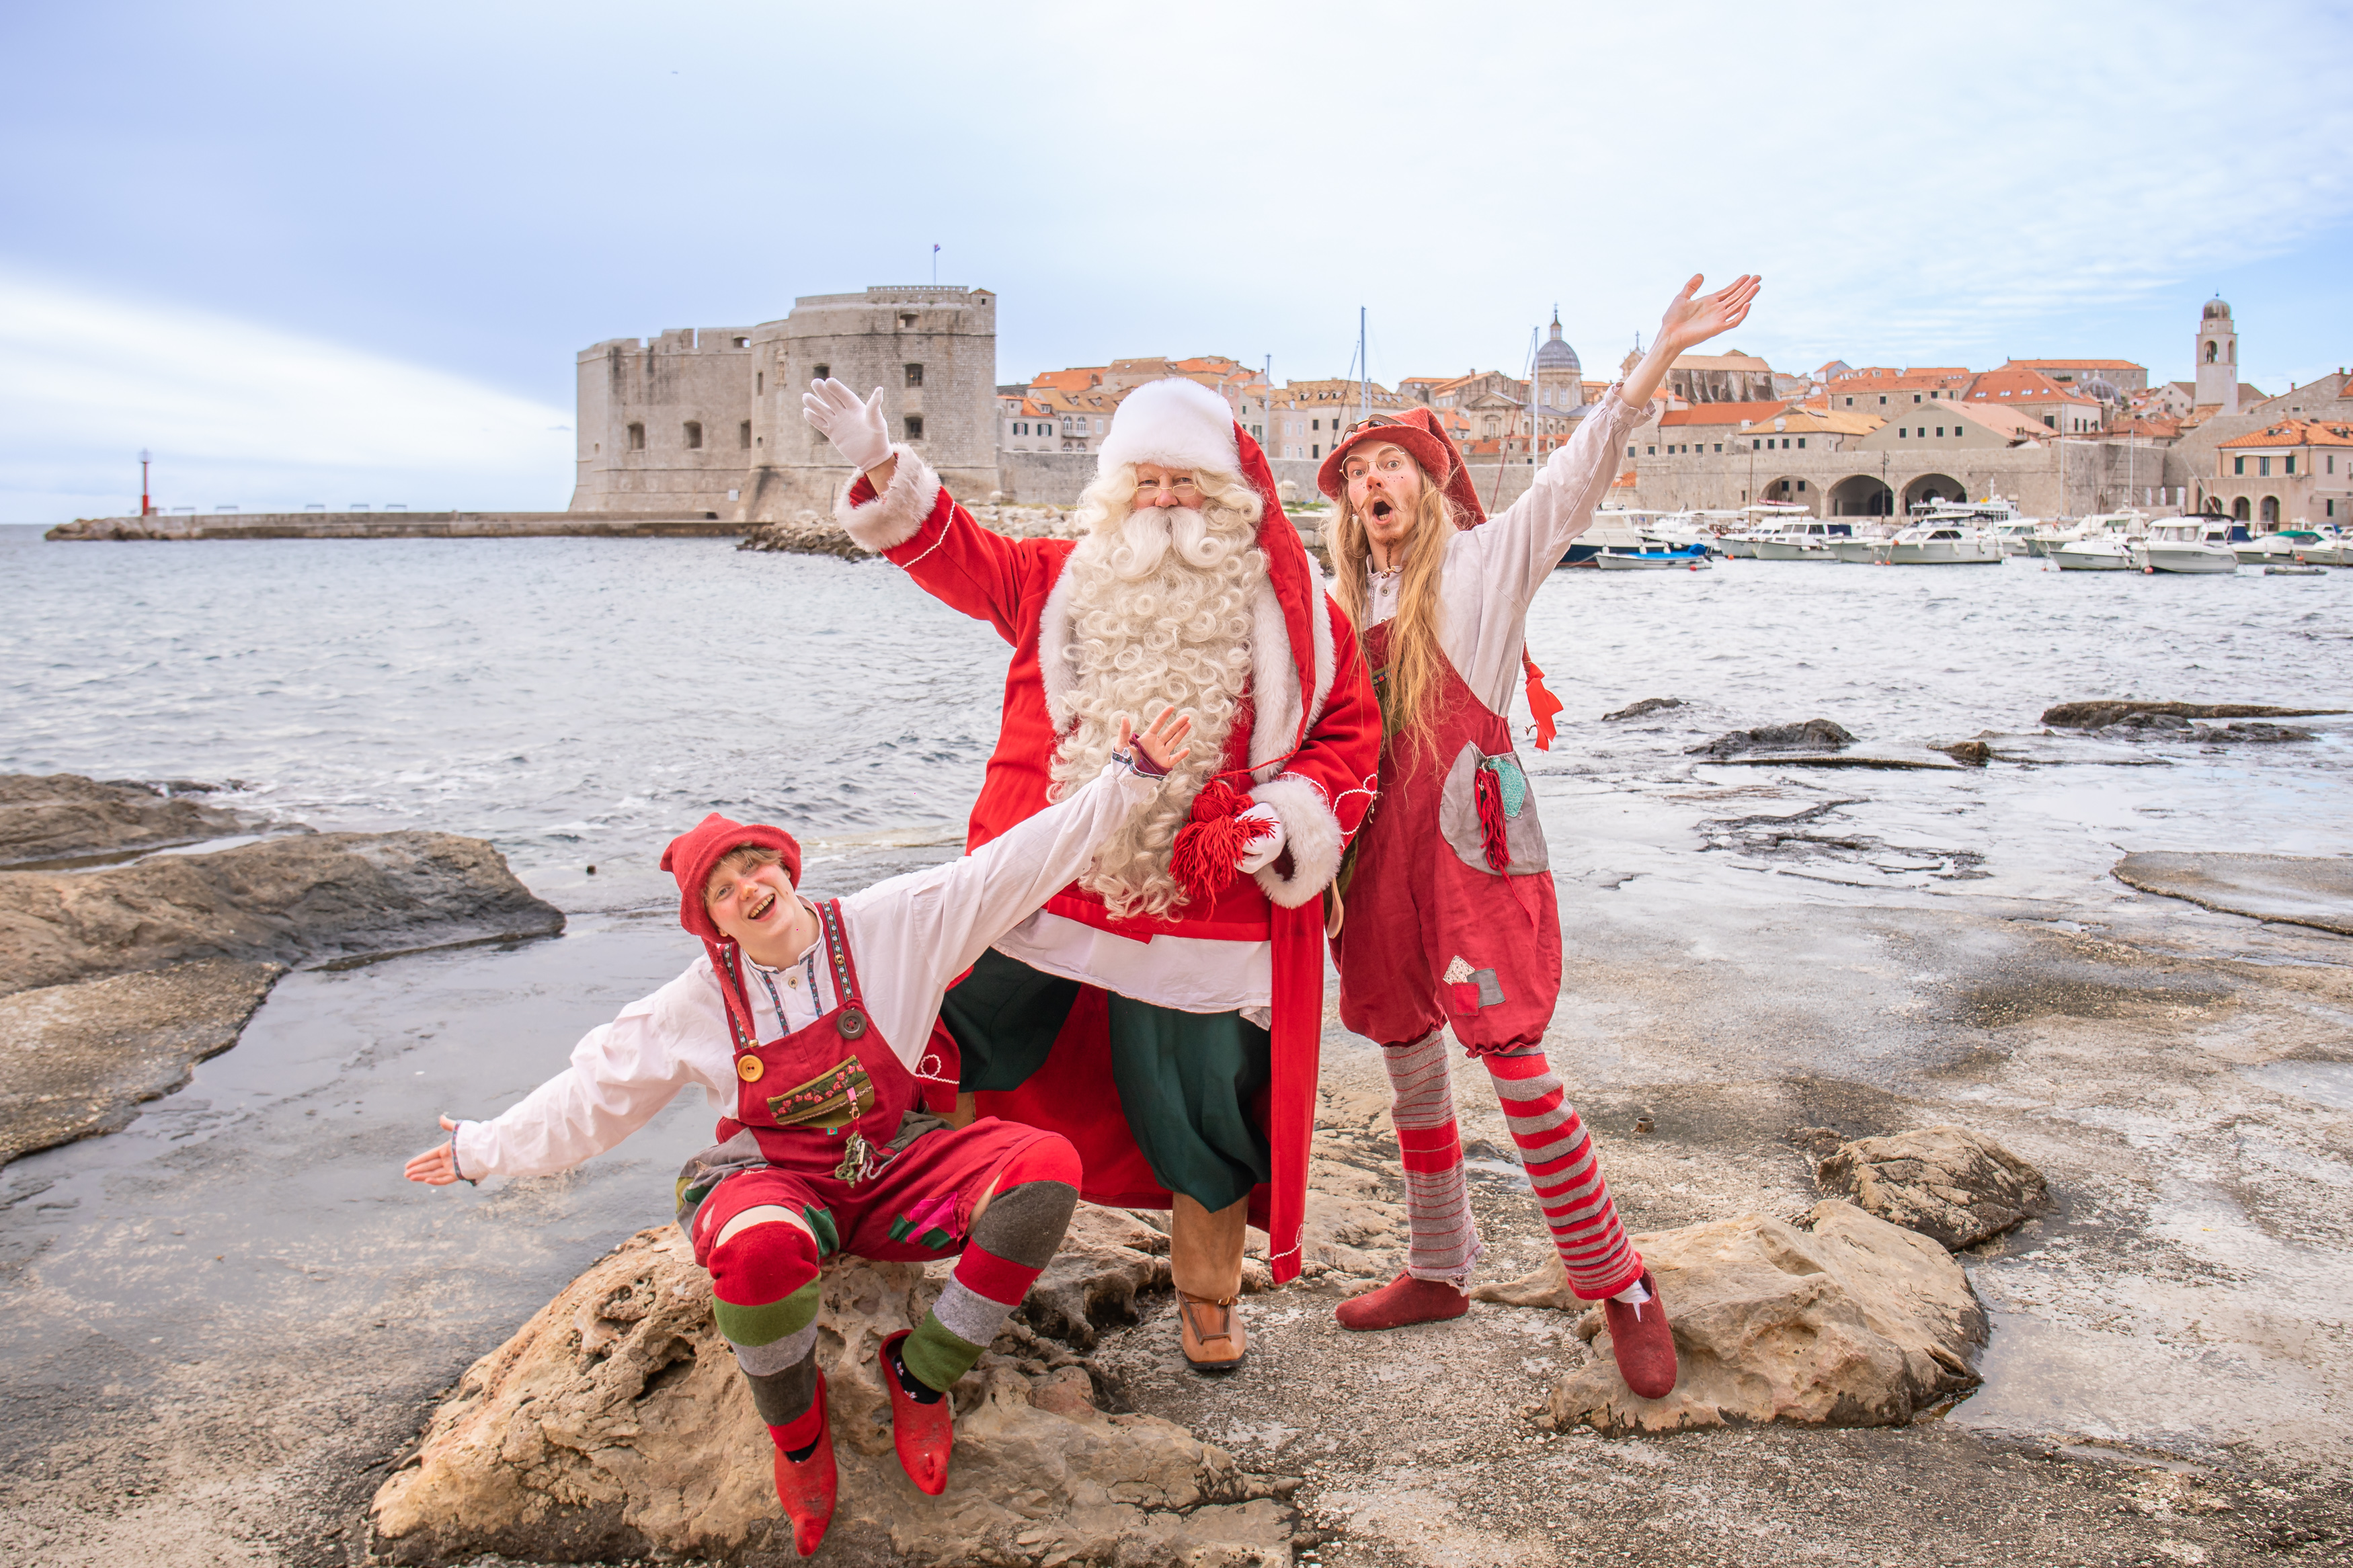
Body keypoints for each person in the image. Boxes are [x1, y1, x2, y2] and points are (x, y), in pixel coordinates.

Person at [401, 707, 1194, 1557]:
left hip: (891, 1168)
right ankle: (800, 1440)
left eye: (755, 863)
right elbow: (593, 1095)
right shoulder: (691, 1003)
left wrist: (1127, 779)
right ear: (715, 923)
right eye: (723, 888)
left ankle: (919, 1370)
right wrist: (480, 1149)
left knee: (1043, 1168)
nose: (748, 885)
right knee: (756, 1251)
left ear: (785, 865)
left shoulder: (892, 921)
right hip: (772, 1179)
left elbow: (1012, 865)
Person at [801, 374, 1381, 1372]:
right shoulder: (1058, 578)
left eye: (1182, 482)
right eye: (1144, 479)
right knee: (942, 1034)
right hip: (1044, 882)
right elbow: (956, 555)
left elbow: (1348, 744)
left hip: (1202, 906)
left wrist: (1278, 821)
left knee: (1200, 1103)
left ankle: (1207, 1294)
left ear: (1228, 495)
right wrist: (879, 466)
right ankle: (900, 1216)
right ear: (1115, 489)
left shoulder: (1297, 617)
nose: (1161, 500)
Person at [1316, 274, 1763, 1401]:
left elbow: (1582, 469)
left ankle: (1619, 1281)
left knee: (1511, 1054)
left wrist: (1657, 355)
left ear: (1431, 485)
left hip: (1469, 837)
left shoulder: (1485, 563)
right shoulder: (1336, 609)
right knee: (1410, 1056)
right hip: (1377, 853)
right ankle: (1437, 1266)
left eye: (1391, 467)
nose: (1373, 481)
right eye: (1357, 471)